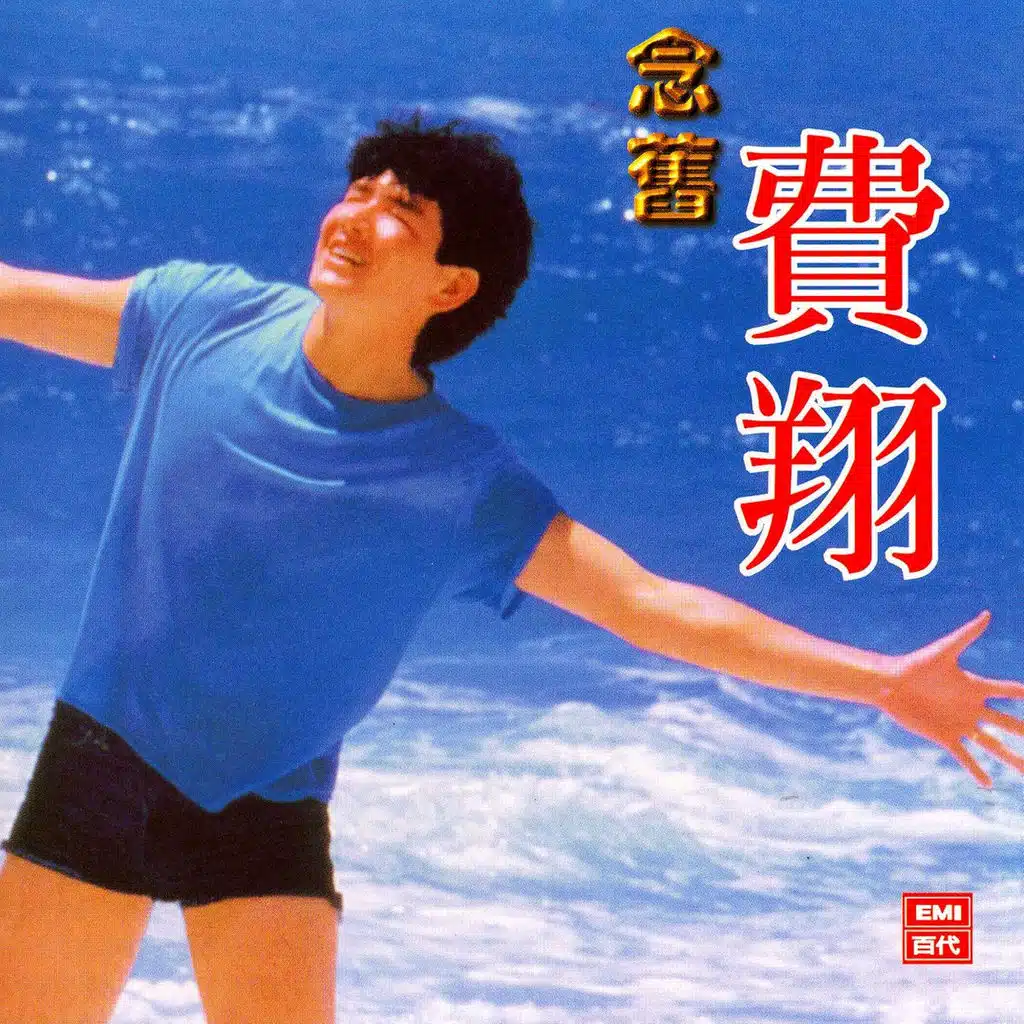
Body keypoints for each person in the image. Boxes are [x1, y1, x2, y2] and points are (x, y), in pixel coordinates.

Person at [0, 118, 1021, 1024]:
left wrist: (880, 680)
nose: (355, 215)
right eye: (358, 189)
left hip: (264, 809)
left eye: (401, 210)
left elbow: (651, 606)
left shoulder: (459, 480)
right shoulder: (199, 318)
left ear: (450, 285)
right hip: (104, 762)